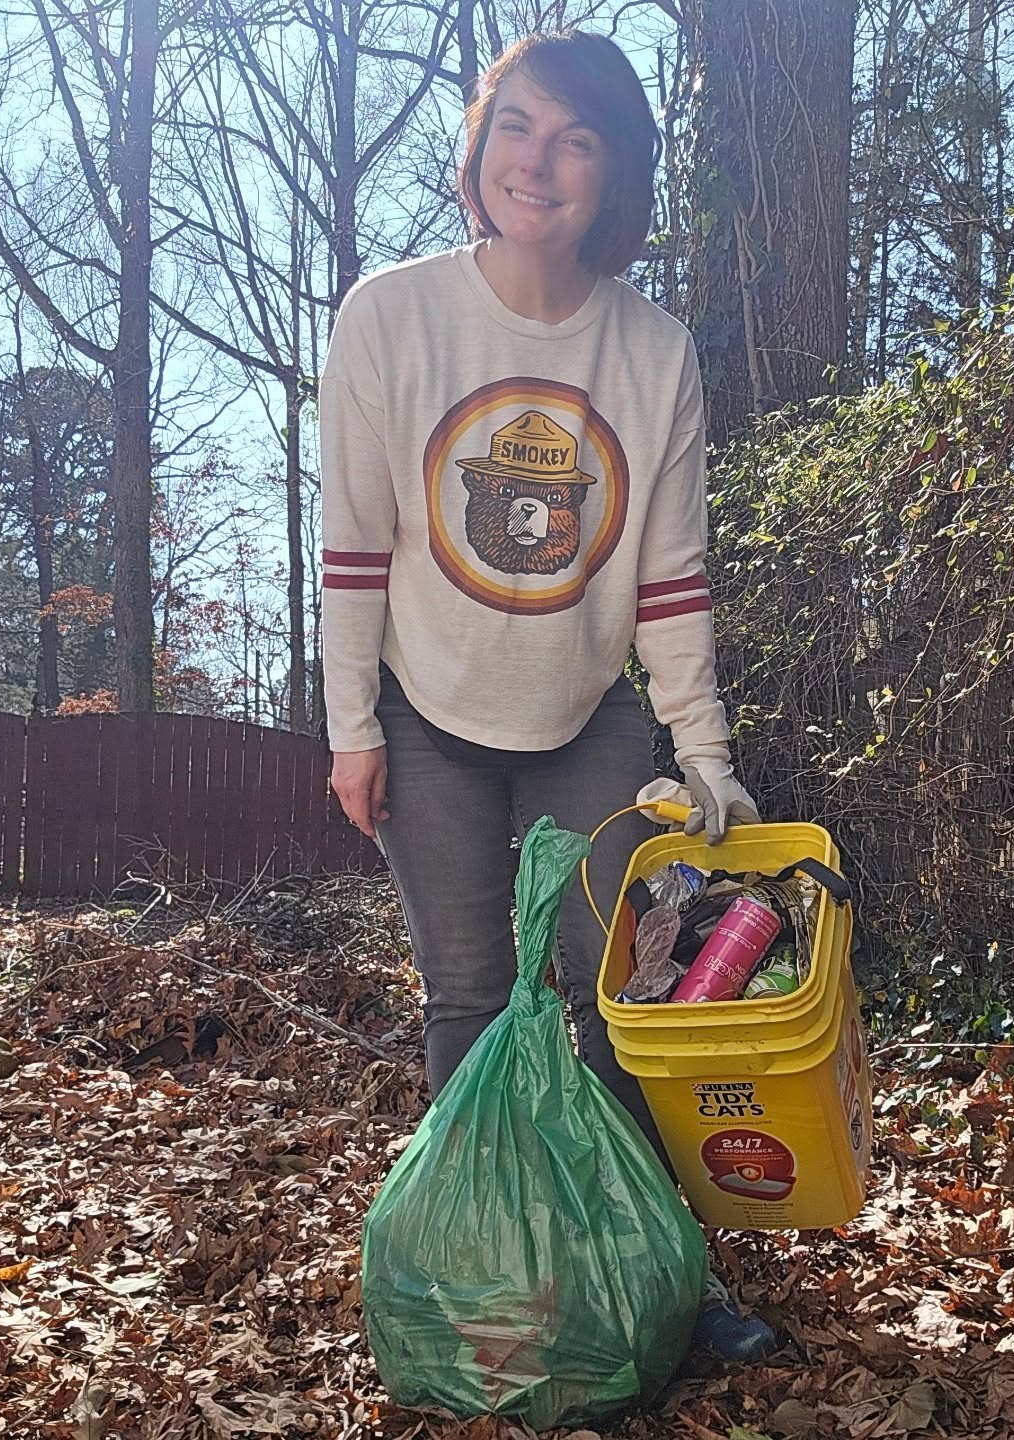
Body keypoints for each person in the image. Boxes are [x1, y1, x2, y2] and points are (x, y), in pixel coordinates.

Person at [319, 29, 771, 1362]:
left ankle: (657, 1285)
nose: (540, 160)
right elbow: (352, 543)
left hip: (589, 714)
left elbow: (672, 575)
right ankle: (485, 1282)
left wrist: (703, 750)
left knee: (614, 998)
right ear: (479, 142)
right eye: (518, 124)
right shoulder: (391, 315)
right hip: (422, 712)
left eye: (577, 138)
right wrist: (350, 727)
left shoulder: (653, 351)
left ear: (616, 170)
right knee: (468, 993)